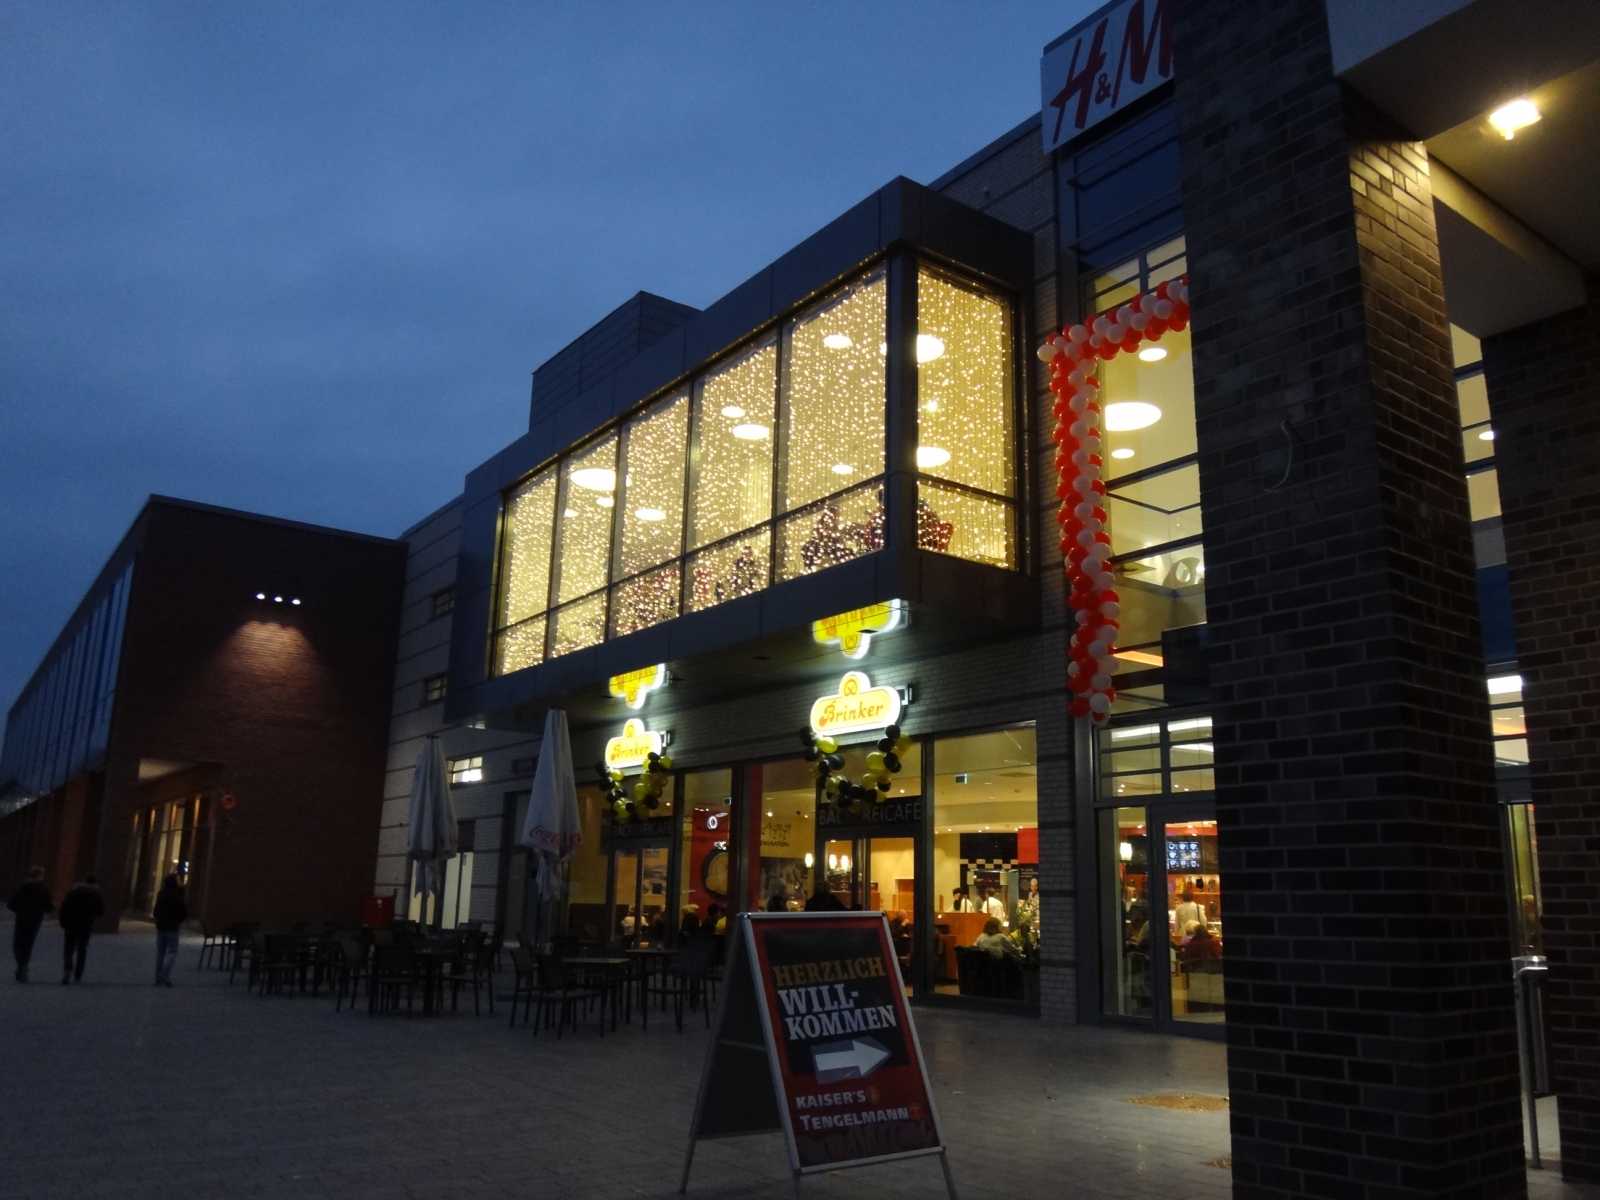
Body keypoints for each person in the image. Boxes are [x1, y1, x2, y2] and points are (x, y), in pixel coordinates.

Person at [8, 866, 54, 983]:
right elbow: (48, 906)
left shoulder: (22, 887)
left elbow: (11, 903)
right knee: (28, 942)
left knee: (18, 942)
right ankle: (24, 965)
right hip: (35, 919)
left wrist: (20, 910)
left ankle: (21, 963)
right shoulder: (43, 889)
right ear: (39, 876)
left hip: (22, 918)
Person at [58, 874, 105, 985]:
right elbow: (100, 912)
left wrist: (63, 922)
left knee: (69, 949)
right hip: (86, 925)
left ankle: (67, 970)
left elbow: (65, 908)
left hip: (71, 924)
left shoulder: (73, 892)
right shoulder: (96, 895)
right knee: (82, 949)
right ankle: (78, 974)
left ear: (83, 881)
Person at [152, 873, 188, 987]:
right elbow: (183, 911)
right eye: (178, 879)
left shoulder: (161, 894)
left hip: (161, 926)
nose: (180, 881)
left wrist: (159, 920)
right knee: (172, 951)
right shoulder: (178, 895)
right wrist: (179, 921)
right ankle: (165, 974)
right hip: (173, 927)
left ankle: (158, 977)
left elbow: (156, 911)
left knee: (160, 952)